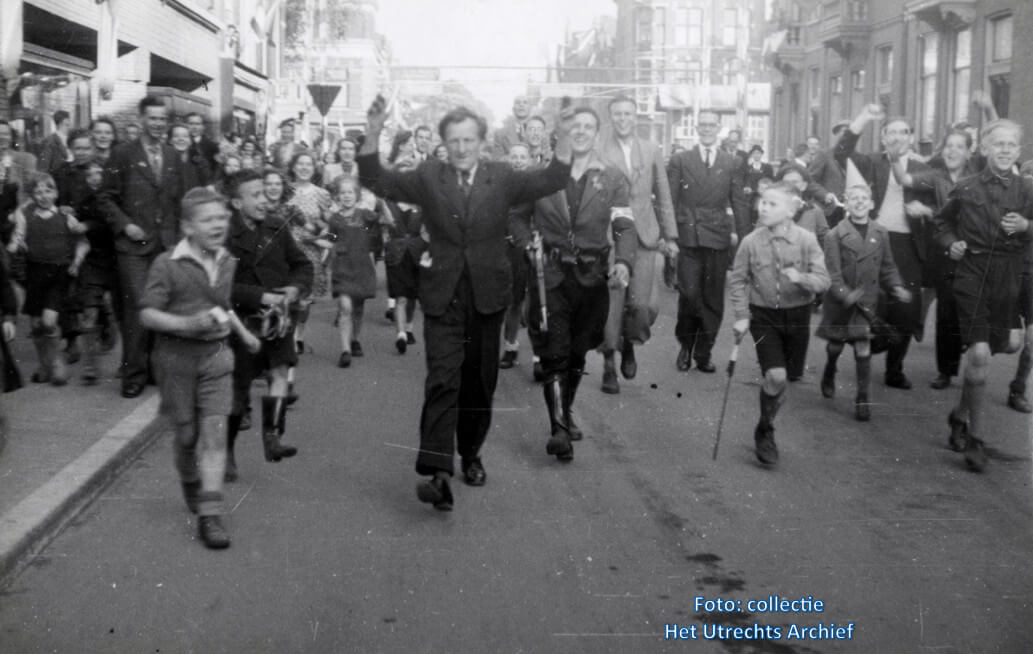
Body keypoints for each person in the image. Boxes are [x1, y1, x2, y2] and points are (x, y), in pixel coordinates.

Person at [358, 98, 573, 510]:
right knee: (443, 378)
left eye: (468, 140)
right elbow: (376, 180)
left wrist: (561, 133)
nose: (460, 148)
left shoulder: (503, 176)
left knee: (479, 383)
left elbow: (553, 178)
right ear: (444, 143)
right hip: (444, 294)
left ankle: (471, 452)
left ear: (481, 141)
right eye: (453, 140)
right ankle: (438, 472)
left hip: (488, 295)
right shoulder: (427, 176)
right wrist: (372, 131)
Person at [139, 186, 260, 549]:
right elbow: (146, 313)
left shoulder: (227, 260)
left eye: (222, 217)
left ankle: (210, 514)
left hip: (215, 358)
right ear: (188, 227)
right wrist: (187, 325)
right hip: (175, 362)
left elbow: (223, 305)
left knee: (213, 435)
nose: (218, 224)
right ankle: (189, 478)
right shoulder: (167, 264)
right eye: (208, 219)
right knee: (187, 437)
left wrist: (243, 333)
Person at [514, 106, 635, 461]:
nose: (580, 132)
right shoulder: (540, 176)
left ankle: (564, 409)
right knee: (554, 351)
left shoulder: (612, 178)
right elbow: (517, 218)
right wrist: (527, 244)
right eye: (574, 127)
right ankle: (559, 431)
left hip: (591, 277)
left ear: (597, 135)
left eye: (588, 127)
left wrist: (624, 262)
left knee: (578, 350)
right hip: (549, 275)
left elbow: (624, 225)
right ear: (563, 134)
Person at [933, 119, 1032, 472]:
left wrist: (1026, 226)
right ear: (985, 149)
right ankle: (976, 439)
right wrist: (951, 243)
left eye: (1011, 145)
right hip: (972, 273)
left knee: (1004, 346)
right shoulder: (966, 187)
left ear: (1019, 152)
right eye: (998, 144)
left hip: (1008, 277)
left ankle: (959, 416)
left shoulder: (1027, 190)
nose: (1004, 150)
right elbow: (941, 223)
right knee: (978, 354)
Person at [729, 181, 830, 464]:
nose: (763, 207)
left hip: (797, 316)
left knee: (785, 381)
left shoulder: (806, 240)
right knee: (775, 375)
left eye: (772, 204)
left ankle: (765, 420)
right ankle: (767, 432)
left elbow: (824, 281)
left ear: (789, 211)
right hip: (763, 316)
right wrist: (741, 317)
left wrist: (802, 279)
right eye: (762, 201)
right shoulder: (751, 242)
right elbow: (737, 282)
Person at [835, 104, 935, 391]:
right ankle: (868, 349)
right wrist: (863, 117)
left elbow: (939, 201)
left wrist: (925, 209)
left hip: (907, 245)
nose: (898, 137)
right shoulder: (872, 163)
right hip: (875, 241)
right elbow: (841, 153)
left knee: (907, 310)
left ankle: (895, 368)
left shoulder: (923, 168)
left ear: (912, 138)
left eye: (904, 132)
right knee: (869, 302)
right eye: (891, 132)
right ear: (883, 137)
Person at [224, 170, 312, 481]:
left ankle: (271, 436)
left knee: (279, 373)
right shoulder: (225, 236)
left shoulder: (277, 227)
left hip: (277, 323)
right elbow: (222, 288)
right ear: (237, 202)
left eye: (265, 193)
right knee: (238, 392)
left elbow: (302, 264)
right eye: (255, 195)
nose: (264, 200)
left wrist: (295, 288)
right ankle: (228, 450)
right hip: (243, 325)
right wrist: (262, 296)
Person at [99, 94, 185, 398]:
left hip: (165, 244)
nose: (159, 124)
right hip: (133, 247)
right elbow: (106, 197)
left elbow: (177, 201)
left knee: (161, 306)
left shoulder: (173, 156)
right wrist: (126, 225)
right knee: (137, 308)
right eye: (153, 118)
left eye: (163, 119)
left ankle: (152, 369)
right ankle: (133, 374)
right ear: (142, 119)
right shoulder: (123, 154)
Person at [596, 95, 679, 393]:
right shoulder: (598, 148)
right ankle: (609, 363)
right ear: (610, 117)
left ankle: (629, 343)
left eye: (627, 113)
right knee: (612, 303)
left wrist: (670, 236)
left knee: (643, 306)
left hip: (644, 235)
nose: (622, 119)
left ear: (635, 117)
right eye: (617, 114)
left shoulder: (650, 148)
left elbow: (664, 193)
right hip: (611, 236)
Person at [889, 128, 975, 390]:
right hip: (947, 253)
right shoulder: (935, 177)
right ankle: (946, 371)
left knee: (970, 309)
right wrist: (894, 158)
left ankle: (965, 341)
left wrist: (927, 209)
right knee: (947, 313)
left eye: (959, 146)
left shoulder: (978, 177)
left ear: (969, 152)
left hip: (975, 253)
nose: (952, 150)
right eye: (948, 145)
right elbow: (904, 179)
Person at [817, 184, 911, 420]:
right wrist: (845, 294)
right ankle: (830, 370)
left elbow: (888, 266)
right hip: (841, 302)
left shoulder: (880, 232)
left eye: (864, 198)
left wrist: (897, 286)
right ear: (846, 204)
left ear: (871, 204)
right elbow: (833, 275)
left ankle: (862, 398)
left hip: (866, 302)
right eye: (853, 199)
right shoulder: (834, 235)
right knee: (835, 346)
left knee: (863, 345)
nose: (859, 202)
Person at [668, 109, 750, 373]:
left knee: (713, 298)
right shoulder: (681, 160)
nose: (706, 129)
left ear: (719, 128)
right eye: (701, 125)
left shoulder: (733, 162)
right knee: (690, 295)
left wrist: (747, 241)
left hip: (717, 237)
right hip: (688, 236)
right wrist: (667, 235)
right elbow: (669, 200)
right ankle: (685, 346)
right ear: (696, 128)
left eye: (711, 125)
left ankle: (704, 352)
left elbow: (739, 201)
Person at [8, 173, 89, 386]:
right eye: (38, 192)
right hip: (35, 273)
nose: (43, 196)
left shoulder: (65, 217)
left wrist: (77, 261)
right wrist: (18, 244)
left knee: (49, 321)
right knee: (35, 324)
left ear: (55, 193)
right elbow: (15, 233)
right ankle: (44, 366)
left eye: (47, 191)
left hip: (59, 274)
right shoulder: (26, 215)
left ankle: (56, 364)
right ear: (32, 195)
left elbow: (83, 241)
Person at [324, 175, 381, 366]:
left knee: (358, 307)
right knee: (346, 306)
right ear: (337, 196)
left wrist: (383, 202)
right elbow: (330, 239)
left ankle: (355, 339)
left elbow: (385, 221)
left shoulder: (365, 215)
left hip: (362, 266)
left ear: (356, 195)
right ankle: (345, 350)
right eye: (342, 193)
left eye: (350, 192)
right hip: (342, 268)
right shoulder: (335, 219)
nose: (346, 196)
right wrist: (323, 257)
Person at [285, 151, 330, 353]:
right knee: (286, 293)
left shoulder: (322, 194)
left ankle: (299, 334)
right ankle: (288, 335)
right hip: (284, 250)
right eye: (300, 164)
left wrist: (320, 237)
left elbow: (331, 227)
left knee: (304, 300)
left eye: (308, 164)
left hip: (309, 251)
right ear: (293, 167)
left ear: (314, 169)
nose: (304, 168)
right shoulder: (284, 190)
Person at [382, 152, 426, 354]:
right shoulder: (387, 201)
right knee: (400, 297)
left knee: (412, 295)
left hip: (417, 252)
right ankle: (400, 333)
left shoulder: (422, 202)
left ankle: (408, 327)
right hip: (396, 253)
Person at [499, 142, 534, 372]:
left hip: (529, 249)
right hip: (503, 250)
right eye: (515, 156)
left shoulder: (535, 186)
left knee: (533, 301)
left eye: (523, 157)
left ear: (529, 160)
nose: (518, 160)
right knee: (510, 301)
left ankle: (540, 354)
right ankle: (510, 347)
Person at [168, 123, 211, 189]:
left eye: (185, 136)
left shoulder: (200, 162)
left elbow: (208, 184)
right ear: (170, 140)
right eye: (176, 136)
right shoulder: (165, 161)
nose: (181, 139)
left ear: (190, 141)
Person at [39, 110, 72, 174]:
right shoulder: (50, 141)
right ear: (65, 121)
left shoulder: (70, 138)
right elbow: (44, 166)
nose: (70, 123)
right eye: (69, 120)